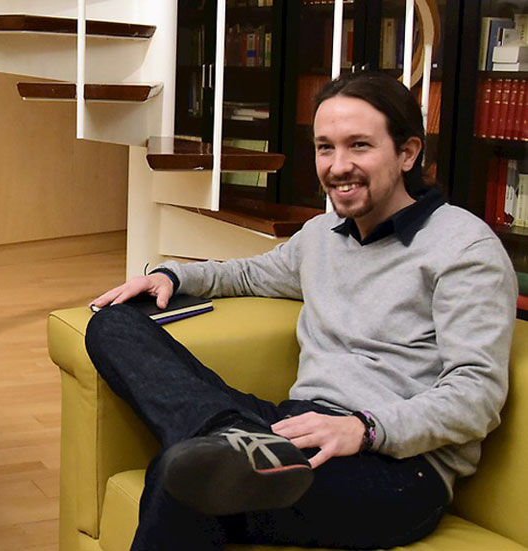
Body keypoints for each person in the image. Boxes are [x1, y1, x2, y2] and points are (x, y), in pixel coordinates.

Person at [86, 70, 517, 551]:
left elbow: (476, 395)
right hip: (293, 428)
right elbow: (248, 275)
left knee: (181, 477)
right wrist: (172, 276)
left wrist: (365, 429)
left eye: (359, 146)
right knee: (112, 324)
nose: (338, 166)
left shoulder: (463, 248)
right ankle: (229, 436)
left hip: (398, 467)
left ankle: (227, 449)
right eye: (325, 148)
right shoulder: (321, 236)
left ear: (408, 152)